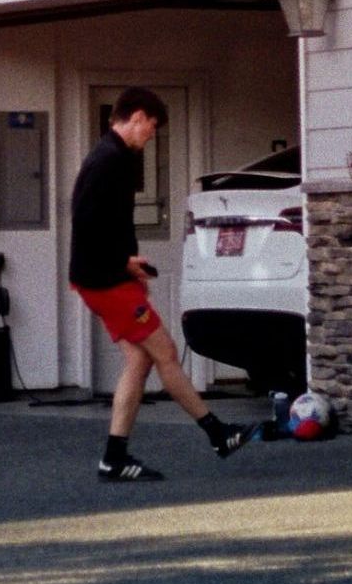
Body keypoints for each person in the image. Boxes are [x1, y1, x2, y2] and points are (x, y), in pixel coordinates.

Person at [70, 88, 257, 481]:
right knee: (166, 351)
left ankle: (113, 458)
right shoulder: (109, 161)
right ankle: (217, 434)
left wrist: (128, 262)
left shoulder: (114, 157)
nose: (151, 135)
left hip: (105, 277)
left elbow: (106, 223)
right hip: (105, 281)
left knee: (140, 360)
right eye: (152, 127)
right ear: (137, 117)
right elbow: (85, 222)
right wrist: (121, 262)